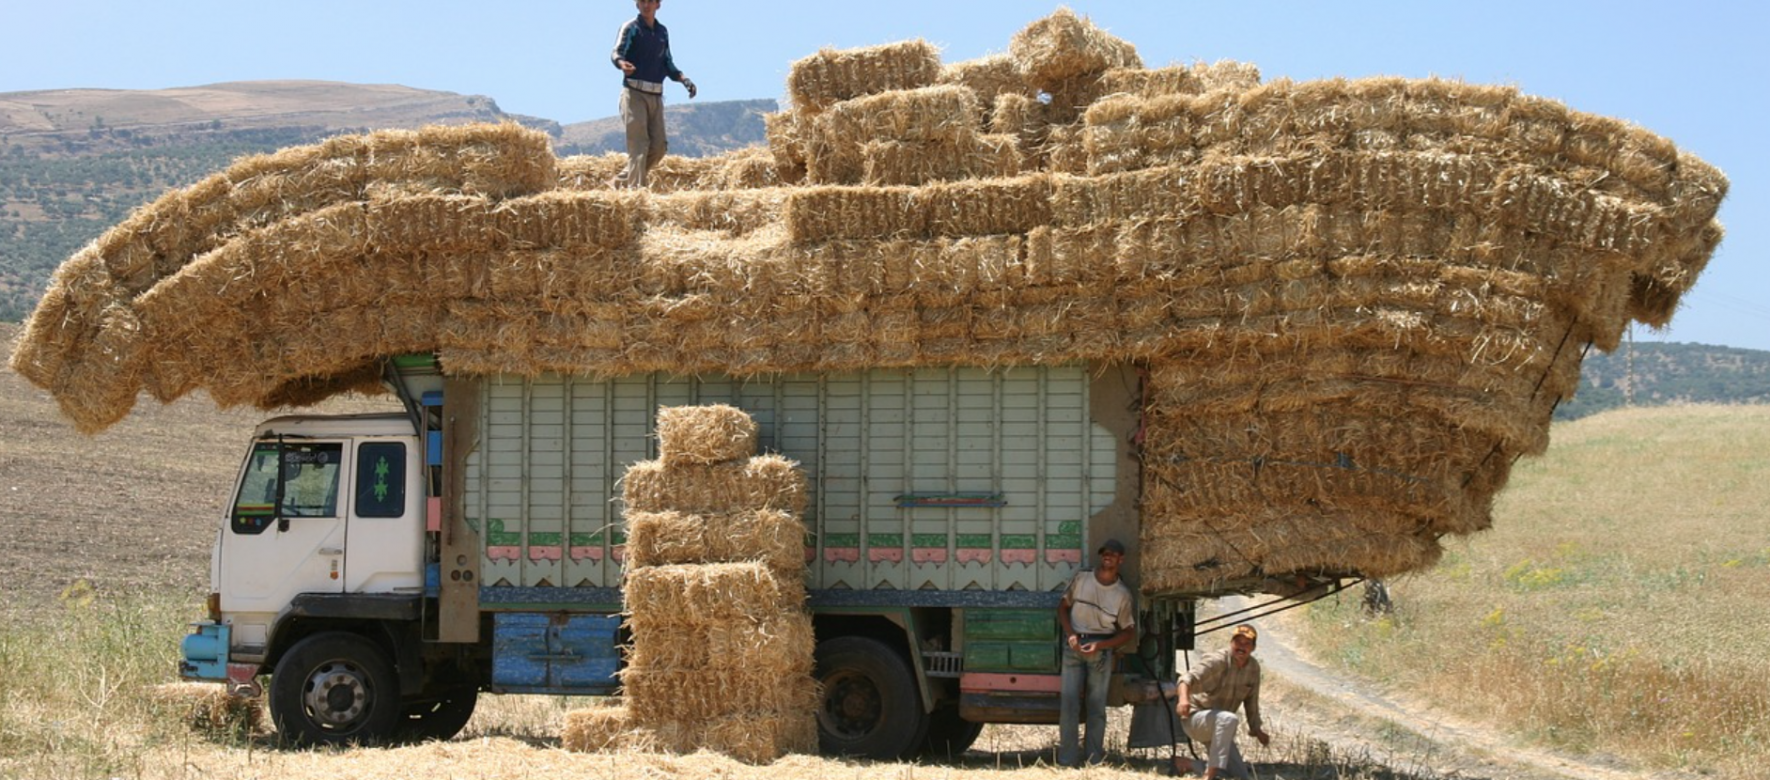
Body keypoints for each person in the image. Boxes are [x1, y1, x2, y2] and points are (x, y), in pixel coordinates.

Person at [1056, 538, 1137, 767]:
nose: (1107, 557)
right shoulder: (1082, 579)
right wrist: (1071, 634)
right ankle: (1067, 760)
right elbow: (1062, 607)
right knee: (1069, 705)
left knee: (1096, 707)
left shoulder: (1122, 594)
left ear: (1121, 560)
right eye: (1104, 553)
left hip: (1100, 651)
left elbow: (1129, 631)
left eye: (1113, 554)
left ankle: (1094, 760)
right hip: (1073, 646)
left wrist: (1101, 646)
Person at [608, 0, 696, 189]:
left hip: (656, 95)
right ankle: (636, 193)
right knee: (639, 145)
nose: (646, 5)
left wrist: (683, 79)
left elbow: (667, 62)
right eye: (642, 1)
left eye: (650, 1)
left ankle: (619, 182)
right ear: (636, 5)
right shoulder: (631, 27)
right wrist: (622, 64)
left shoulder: (662, 32)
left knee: (658, 147)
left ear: (658, 5)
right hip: (634, 93)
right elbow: (616, 52)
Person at [1174, 625, 1271, 779]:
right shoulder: (1218, 660)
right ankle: (1209, 776)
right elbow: (1185, 679)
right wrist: (1183, 700)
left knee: (1240, 776)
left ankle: (1187, 764)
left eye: (1246, 644)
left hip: (1220, 726)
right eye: (1238, 642)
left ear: (1253, 647)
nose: (1241, 647)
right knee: (1229, 718)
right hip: (1197, 719)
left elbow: (1252, 701)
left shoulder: (1253, 668)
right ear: (1231, 643)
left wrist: (1257, 729)